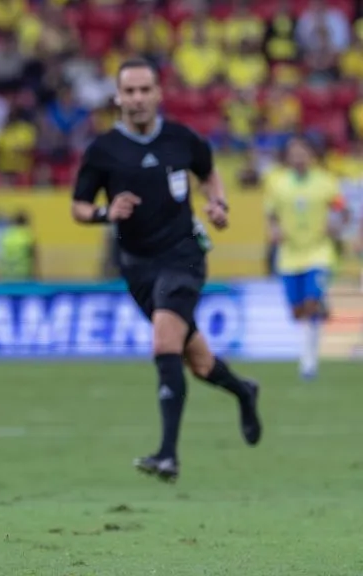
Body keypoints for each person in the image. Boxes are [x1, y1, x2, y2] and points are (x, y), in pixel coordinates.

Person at [70, 58, 263, 483]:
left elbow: (210, 175)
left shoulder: (182, 139)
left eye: (145, 90)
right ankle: (244, 391)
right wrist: (106, 211)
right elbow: (78, 207)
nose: (137, 99)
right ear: (118, 97)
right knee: (197, 361)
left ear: (158, 94)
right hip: (137, 267)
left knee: (164, 340)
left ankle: (167, 455)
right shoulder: (103, 151)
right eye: (129, 92)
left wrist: (218, 204)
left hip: (184, 256)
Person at [264, 135, 348, 380]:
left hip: (318, 252)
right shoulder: (277, 183)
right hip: (290, 255)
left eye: (303, 152)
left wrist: (336, 225)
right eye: (294, 152)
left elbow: (343, 210)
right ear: (288, 156)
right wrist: (274, 229)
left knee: (310, 304)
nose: (299, 156)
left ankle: (308, 362)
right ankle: (320, 309)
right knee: (297, 311)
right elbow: (271, 213)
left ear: (311, 154)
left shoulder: (326, 182)